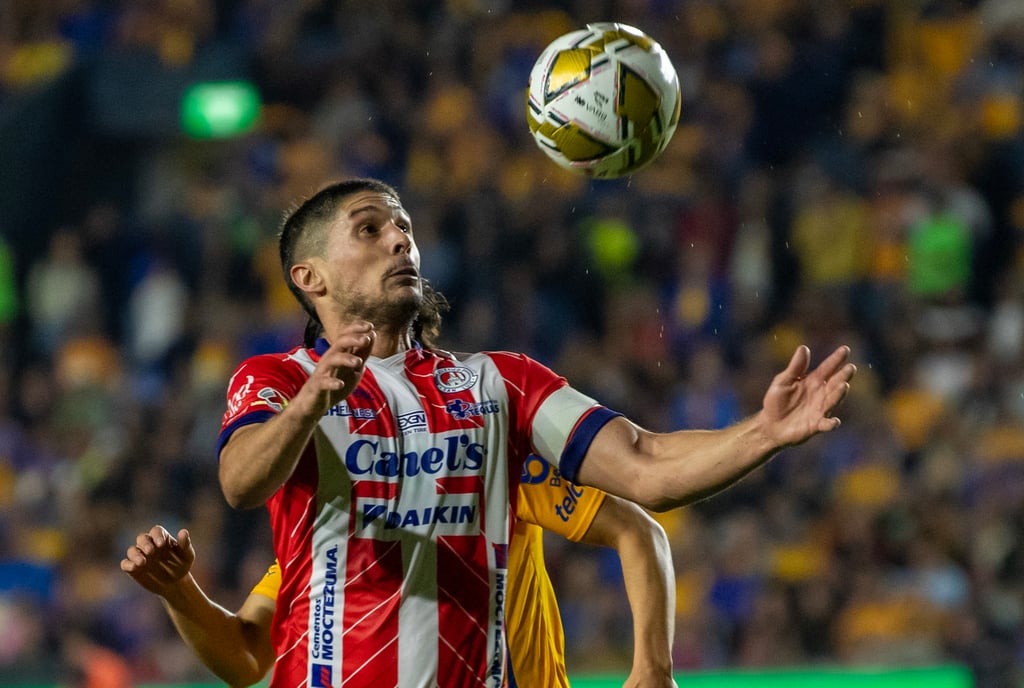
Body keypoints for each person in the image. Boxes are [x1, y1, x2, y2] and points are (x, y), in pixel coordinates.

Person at [216, 177, 855, 688]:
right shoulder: (277, 376)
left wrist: (763, 433)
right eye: (370, 229)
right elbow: (241, 483)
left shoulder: (501, 383)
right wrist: (308, 404)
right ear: (310, 277)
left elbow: (646, 469)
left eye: (405, 229)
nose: (400, 243)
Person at [122, 455, 676, 687]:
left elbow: (638, 529)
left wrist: (652, 667)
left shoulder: (486, 455)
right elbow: (246, 653)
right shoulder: (329, 531)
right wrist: (180, 592)